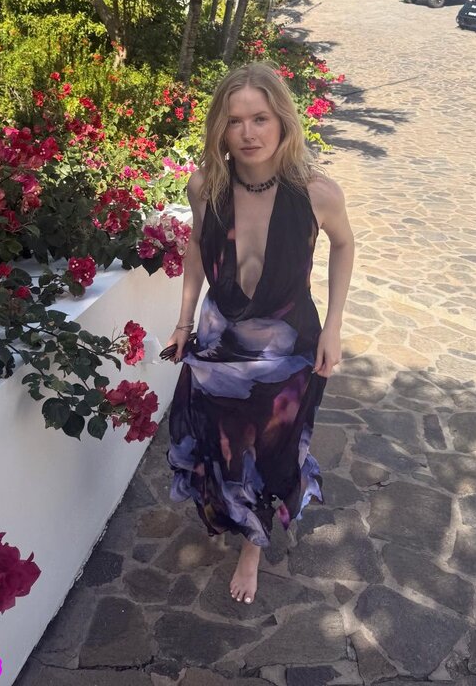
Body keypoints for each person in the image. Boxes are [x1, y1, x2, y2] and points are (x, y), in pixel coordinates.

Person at [164, 62, 355, 605]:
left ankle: (252, 546)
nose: (248, 133)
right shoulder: (205, 187)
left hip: (288, 349)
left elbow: (345, 244)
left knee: (272, 450)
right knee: (221, 444)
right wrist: (183, 321)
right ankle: (235, 515)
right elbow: (196, 247)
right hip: (218, 339)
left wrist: (334, 326)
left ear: (283, 122)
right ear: (219, 128)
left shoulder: (316, 193)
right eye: (234, 120)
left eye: (260, 118)